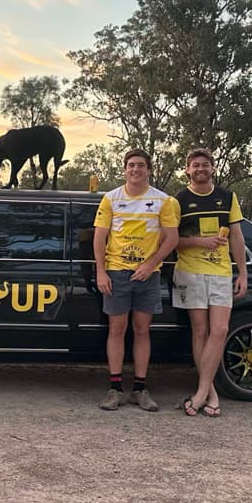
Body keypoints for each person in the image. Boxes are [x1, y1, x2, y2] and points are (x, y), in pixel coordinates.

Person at [92, 148, 179, 412]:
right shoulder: (111, 199)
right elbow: (99, 237)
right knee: (116, 330)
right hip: (117, 273)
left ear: (149, 170)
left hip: (147, 274)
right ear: (124, 169)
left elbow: (172, 238)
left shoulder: (164, 201)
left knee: (142, 331)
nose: (135, 169)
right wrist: (101, 271)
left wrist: (151, 264)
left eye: (141, 165)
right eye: (131, 165)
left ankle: (140, 388)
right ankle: (115, 388)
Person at [172, 148, 248, 417]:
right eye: (195, 165)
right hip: (190, 272)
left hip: (220, 272)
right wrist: (199, 242)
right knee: (200, 331)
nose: (200, 169)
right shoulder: (178, 200)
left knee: (220, 329)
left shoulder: (227, 197)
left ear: (213, 168)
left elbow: (237, 237)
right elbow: (171, 241)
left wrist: (243, 272)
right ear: (187, 170)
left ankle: (201, 391)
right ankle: (210, 392)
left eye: (205, 164)